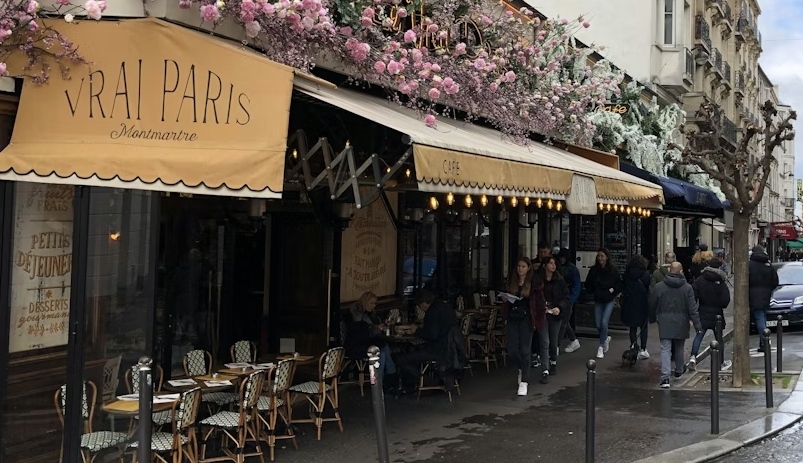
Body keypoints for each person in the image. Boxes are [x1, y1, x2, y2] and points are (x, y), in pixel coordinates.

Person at [649, 262, 701, 389]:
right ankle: (678, 371)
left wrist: (652, 318)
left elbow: (652, 303)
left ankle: (665, 377)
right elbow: (692, 308)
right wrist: (698, 325)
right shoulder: (687, 288)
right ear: (681, 271)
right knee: (679, 347)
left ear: (668, 270)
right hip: (682, 321)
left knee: (665, 348)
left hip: (665, 320)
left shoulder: (659, 287)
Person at [501, 257, 548, 395]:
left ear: (528, 268)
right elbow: (507, 301)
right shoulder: (512, 282)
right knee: (512, 349)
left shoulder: (535, 284)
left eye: (523, 266)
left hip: (527, 318)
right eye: (518, 266)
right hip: (513, 317)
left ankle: (524, 381)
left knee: (525, 349)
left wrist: (537, 322)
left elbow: (540, 304)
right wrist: (506, 300)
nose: (520, 269)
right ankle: (522, 367)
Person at [397, 290, 459, 393]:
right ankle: (431, 380)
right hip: (451, 349)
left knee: (402, 359)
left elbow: (432, 335)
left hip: (438, 350)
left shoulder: (432, 312)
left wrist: (416, 330)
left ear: (424, 303)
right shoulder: (446, 306)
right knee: (414, 351)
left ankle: (425, 382)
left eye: (420, 306)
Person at [344, 291, 397, 384]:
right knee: (381, 351)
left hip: (365, 343)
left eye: (375, 303)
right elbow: (362, 335)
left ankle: (388, 378)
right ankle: (383, 379)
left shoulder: (369, 315)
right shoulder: (357, 316)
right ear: (365, 302)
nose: (374, 306)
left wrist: (376, 328)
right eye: (372, 303)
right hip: (356, 346)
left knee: (383, 348)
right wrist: (376, 329)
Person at [689, 258, 732, 371]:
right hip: (717, 314)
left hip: (703, 311)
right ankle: (721, 362)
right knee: (719, 339)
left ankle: (693, 357)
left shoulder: (700, 280)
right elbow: (725, 300)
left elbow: (693, 296)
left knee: (699, 335)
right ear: (719, 267)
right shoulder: (721, 281)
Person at [585, 248, 622, 359]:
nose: (600, 258)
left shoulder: (612, 270)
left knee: (604, 322)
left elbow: (619, 284)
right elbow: (588, 283)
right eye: (599, 256)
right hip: (598, 299)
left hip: (609, 299)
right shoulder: (594, 270)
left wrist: (613, 290)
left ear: (607, 257)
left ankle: (601, 346)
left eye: (602, 256)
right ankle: (605, 337)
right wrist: (593, 290)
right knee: (598, 323)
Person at [540, 256, 569, 377]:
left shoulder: (559, 280)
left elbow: (565, 296)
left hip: (555, 313)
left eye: (554, 263)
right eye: (550, 263)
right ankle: (545, 368)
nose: (553, 265)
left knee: (553, 341)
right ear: (544, 265)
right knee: (544, 341)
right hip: (542, 312)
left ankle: (553, 362)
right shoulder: (539, 280)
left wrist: (559, 307)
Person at [748, 245, 778, 352]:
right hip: (766, 294)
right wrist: (768, 289)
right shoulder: (769, 265)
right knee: (762, 316)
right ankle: (763, 342)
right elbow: (775, 281)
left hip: (752, 295)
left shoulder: (749, 265)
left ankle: (765, 341)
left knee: (759, 317)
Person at [621, 255, 651, 359]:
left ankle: (634, 346)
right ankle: (643, 349)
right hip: (642, 303)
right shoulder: (646, 274)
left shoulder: (626, 274)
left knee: (632, 327)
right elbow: (649, 288)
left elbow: (623, 288)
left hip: (629, 303)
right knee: (643, 327)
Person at [557, 248, 582, 353]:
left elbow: (576, 286)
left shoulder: (572, 269)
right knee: (564, 321)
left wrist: (571, 299)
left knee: (563, 321)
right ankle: (573, 339)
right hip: (561, 297)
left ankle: (557, 345)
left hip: (567, 298)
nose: (562, 259)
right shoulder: (561, 267)